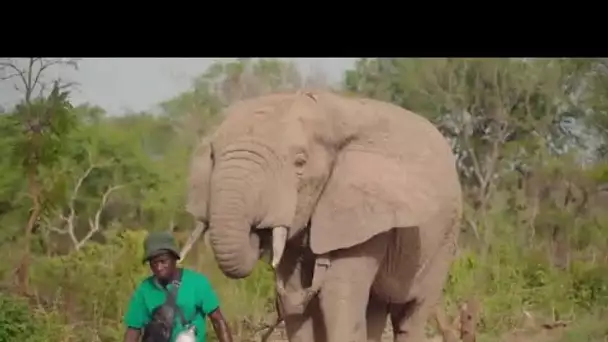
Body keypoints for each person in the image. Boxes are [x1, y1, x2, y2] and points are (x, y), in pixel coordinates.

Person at [123, 231, 233, 342]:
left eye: (163, 261)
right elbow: (133, 329)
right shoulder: (144, 290)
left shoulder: (197, 283)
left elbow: (218, 321)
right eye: (154, 263)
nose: (159, 267)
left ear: (174, 258)